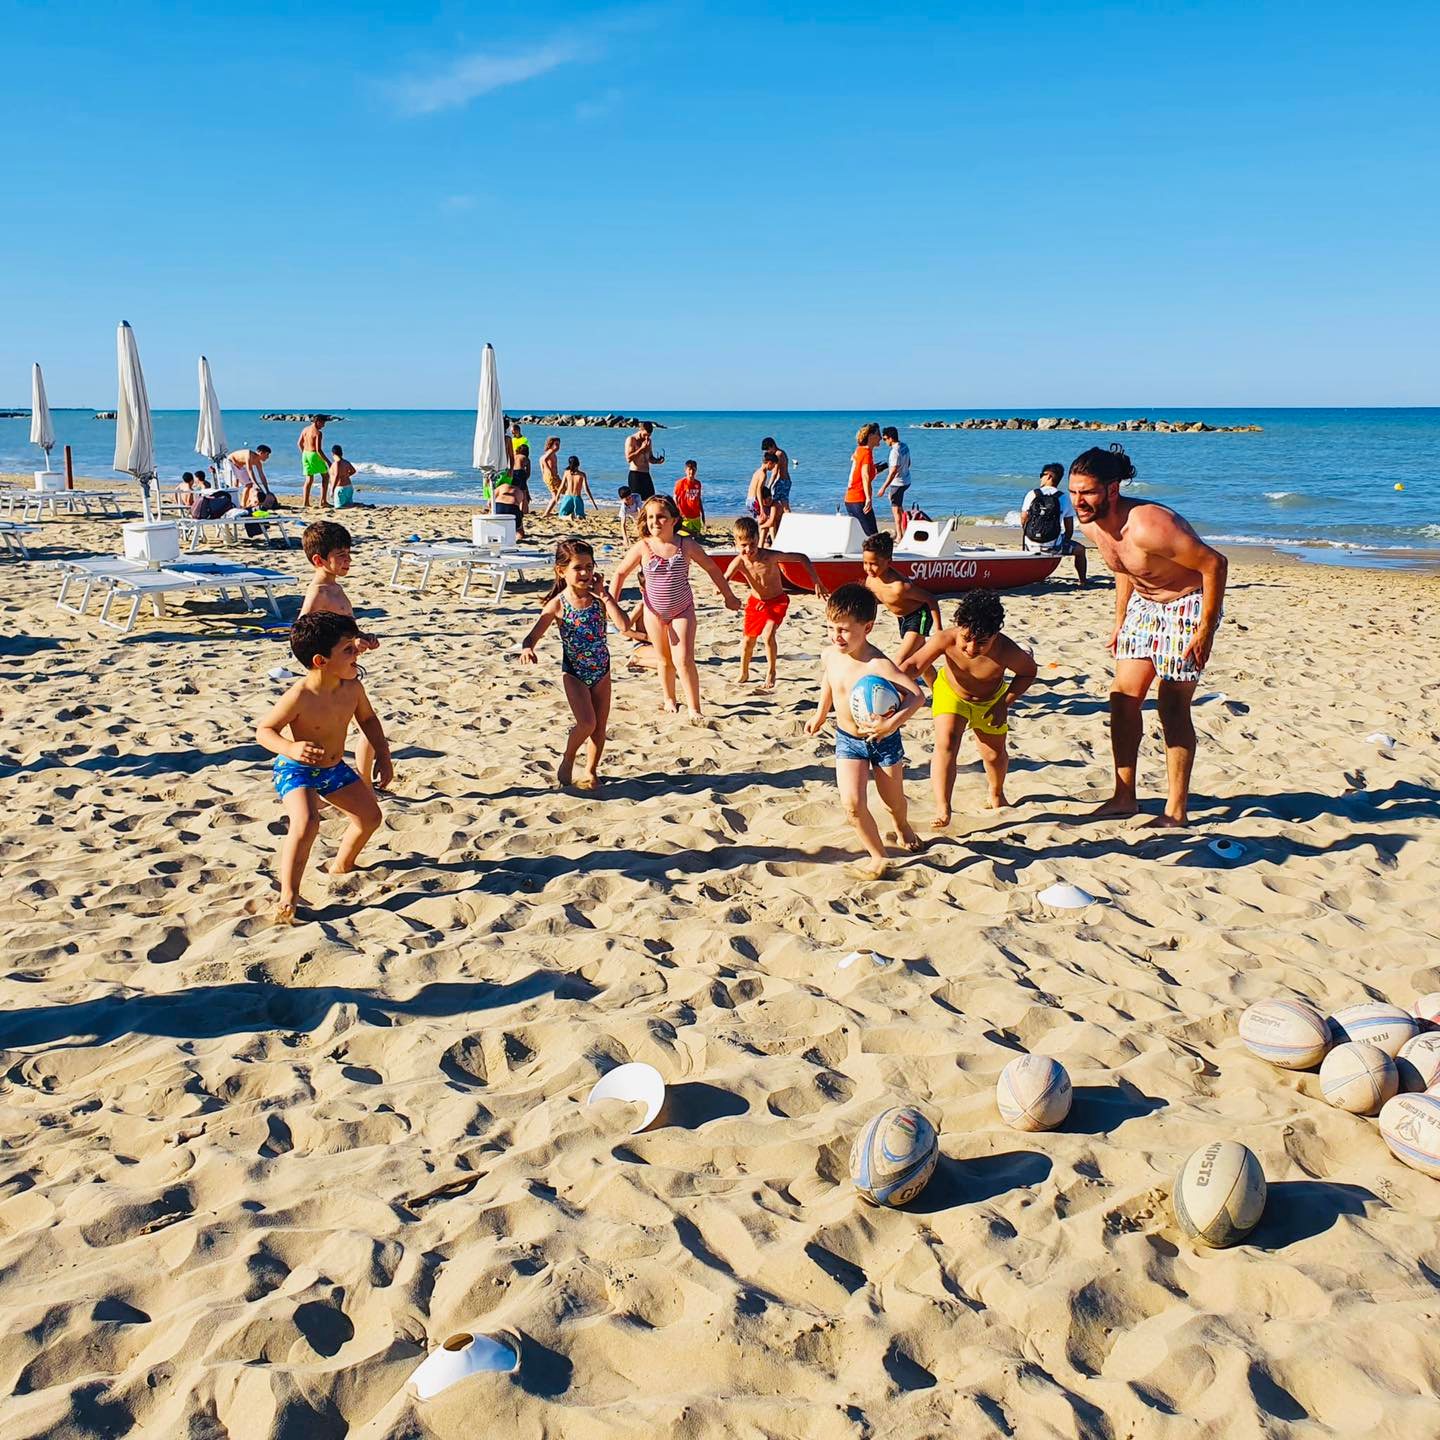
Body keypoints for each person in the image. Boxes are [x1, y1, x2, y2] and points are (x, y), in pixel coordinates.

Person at [1068, 443, 1228, 826]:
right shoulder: (1090, 523)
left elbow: (1214, 564)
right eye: (1073, 492)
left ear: (1112, 489)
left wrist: (1205, 629)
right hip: (1143, 605)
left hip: (1187, 605)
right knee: (1123, 700)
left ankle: (1176, 810)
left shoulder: (1150, 525)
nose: (1078, 501)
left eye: (1087, 492)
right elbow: (1122, 565)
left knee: (1172, 708)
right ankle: (1124, 798)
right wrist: (1121, 617)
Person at [255, 612, 392, 926]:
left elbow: (368, 720)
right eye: (348, 650)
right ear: (320, 660)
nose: (357, 652)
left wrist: (383, 753)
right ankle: (288, 895)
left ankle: (342, 865)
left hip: (333, 768)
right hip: (296, 769)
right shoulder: (301, 695)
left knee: (370, 818)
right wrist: (290, 747)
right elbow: (265, 731)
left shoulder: (352, 686)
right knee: (306, 822)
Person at [805, 584, 924, 874]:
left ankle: (902, 825)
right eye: (831, 628)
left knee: (893, 801)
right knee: (853, 805)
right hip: (848, 740)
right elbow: (830, 681)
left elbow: (917, 696)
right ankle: (878, 855)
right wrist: (821, 713)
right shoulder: (830, 655)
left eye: (844, 630)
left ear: (867, 627)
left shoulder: (879, 664)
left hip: (884, 741)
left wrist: (889, 724)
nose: (836, 636)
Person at [902, 589, 1038, 823]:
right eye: (966, 638)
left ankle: (996, 793)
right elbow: (914, 665)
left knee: (994, 755)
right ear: (958, 626)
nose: (972, 648)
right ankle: (943, 807)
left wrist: (1004, 704)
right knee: (946, 743)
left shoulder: (1006, 649)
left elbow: (1028, 672)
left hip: (991, 702)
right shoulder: (945, 638)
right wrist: (891, 679)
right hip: (951, 694)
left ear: (996, 635)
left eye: (982, 642)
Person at [521, 539, 643, 788]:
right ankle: (568, 756)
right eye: (578, 568)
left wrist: (606, 595)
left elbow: (624, 626)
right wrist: (527, 647)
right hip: (574, 673)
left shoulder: (599, 600)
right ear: (561, 571)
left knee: (599, 729)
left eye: (589, 566)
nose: (585, 573)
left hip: (602, 671)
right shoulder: (558, 604)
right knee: (587, 723)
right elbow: (534, 633)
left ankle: (590, 770)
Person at [610, 494, 741, 717]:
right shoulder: (643, 547)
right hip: (653, 612)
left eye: (661, 517)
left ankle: (694, 708)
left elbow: (711, 568)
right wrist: (610, 602)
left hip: (682, 610)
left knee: (684, 660)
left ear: (674, 520)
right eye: (650, 517)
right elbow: (620, 573)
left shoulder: (685, 545)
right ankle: (669, 698)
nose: (655, 522)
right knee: (664, 660)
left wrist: (728, 596)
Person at [299, 520, 383, 784]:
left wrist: (361, 639)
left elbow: (346, 629)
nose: (348, 560)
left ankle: (365, 783)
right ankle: (340, 786)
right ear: (319, 560)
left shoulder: (336, 587)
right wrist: (327, 664)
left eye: (349, 554)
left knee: (367, 725)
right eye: (341, 556)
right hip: (331, 676)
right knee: (350, 728)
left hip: (348, 670)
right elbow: (303, 636)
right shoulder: (319, 593)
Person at [723, 515, 825, 690]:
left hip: (777, 601)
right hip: (756, 604)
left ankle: (771, 672)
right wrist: (724, 593)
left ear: (758, 539)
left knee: (768, 634)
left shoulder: (770, 557)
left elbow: (802, 558)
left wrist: (816, 581)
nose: (748, 549)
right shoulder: (739, 561)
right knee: (748, 641)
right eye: (743, 546)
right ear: (736, 544)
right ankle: (744, 671)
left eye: (752, 544)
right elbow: (724, 578)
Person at [859, 532, 942, 682]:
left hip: (919, 616)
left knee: (900, 661)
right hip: (901, 620)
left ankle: (896, 696)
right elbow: (871, 603)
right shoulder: (870, 581)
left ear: (888, 561)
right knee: (922, 662)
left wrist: (939, 629)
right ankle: (937, 692)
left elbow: (931, 599)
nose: (868, 568)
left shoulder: (900, 586)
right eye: (865, 563)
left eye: (874, 564)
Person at [1021, 462, 1088, 584]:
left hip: (1030, 544)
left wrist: (1031, 534)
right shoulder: (1064, 498)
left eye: (1042, 475)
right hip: (1053, 546)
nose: (1040, 478)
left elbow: (1023, 520)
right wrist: (1062, 540)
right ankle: (1083, 581)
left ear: (1049, 476)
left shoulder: (1032, 494)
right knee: (1081, 550)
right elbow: (1069, 530)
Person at [875, 426, 912, 536]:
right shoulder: (904, 446)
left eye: (885, 439)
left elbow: (893, 471)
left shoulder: (894, 452)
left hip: (897, 483)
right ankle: (905, 529)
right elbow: (909, 463)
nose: (884, 441)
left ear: (891, 438)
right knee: (899, 507)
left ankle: (900, 536)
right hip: (906, 480)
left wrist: (883, 487)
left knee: (895, 511)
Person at [544, 455, 596, 520]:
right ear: (578, 464)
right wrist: (593, 502)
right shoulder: (582, 475)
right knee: (581, 515)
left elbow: (561, 486)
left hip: (567, 497)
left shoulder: (566, 473)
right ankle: (578, 515)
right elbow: (586, 489)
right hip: (577, 498)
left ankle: (568, 517)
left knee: (561, 515)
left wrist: (557, 496)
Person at [624, 420, 664, 501]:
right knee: (637, 501)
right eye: (645, 435)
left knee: (651, 499)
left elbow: (650, 458)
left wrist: (657, 461)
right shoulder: (632, 439)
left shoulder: (648, 441)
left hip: (646, 473)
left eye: (649, 435)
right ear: (640, 430)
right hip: (636, 474)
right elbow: (628, 458)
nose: (647, 437)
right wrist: (641, 449)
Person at [299, 416, 329, 506]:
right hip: (314, 455)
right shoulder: (318, 433)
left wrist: (304, 453)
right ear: (318, 422)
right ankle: (323, 501)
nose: (323, 426)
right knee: (325, 476)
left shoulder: (305, 429)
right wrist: (328, 461)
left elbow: (299, 443)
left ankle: (306, 502)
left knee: (309, 479)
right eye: (323, 423)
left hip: (305, 454)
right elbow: (318, 450)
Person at [673, 460, 706, 538]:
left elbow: (698, 498)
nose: (691, 472)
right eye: (689, 469)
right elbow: (675, 498)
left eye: (694, 469)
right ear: (685, 470)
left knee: (697, 536)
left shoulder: (698, 483)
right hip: (685, 516)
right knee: (685, 537)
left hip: (696, 515)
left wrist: (703, 513)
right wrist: (678, 513)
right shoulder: (680, 483)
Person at [761, 436, 792, 511]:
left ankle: (774, 519)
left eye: (768, 449)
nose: (768, 452)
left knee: (772, 503)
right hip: (786, 481)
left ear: (773, 446)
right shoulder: (781, 452)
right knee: (785, 505)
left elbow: (775, 472)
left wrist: (768, 486)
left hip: (781, 482)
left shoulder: (778, 454)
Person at [509, 422, 533, 517]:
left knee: (518, 490)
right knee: (522, 491)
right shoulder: (512, 439)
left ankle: (520, 508)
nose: (512, 433)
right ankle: (523, 510)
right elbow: (528, 472)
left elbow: (526, 449)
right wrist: (526, 477)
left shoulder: (524, 439)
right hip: (520, 470)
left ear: (517, 430)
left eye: (513, 431)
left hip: (515, 469)